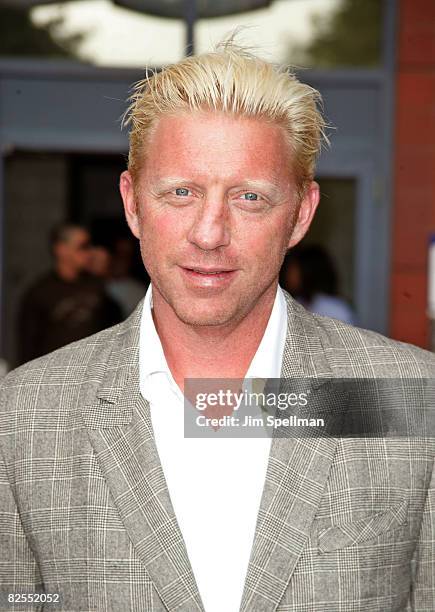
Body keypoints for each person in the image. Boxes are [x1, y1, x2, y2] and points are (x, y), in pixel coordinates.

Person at [0, 39, 434, 612]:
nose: (210, 233)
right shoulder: (25, 416)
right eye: (181, 192)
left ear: (301, 214)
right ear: (132, 204)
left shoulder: (405, 399)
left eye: (249, 197)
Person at [16, 223, 123, 365]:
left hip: (92, 371)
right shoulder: (40, 292)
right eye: (83, 247)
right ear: (61, 250)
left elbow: (117, 325)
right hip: (54, 374)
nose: (89, 252)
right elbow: (28, 346)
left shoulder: (97, 285)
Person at [280, 244, 356, 324]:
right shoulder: (294, 304)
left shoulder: (336, 311)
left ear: (307, 273)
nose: (289, 276)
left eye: (294, 272)